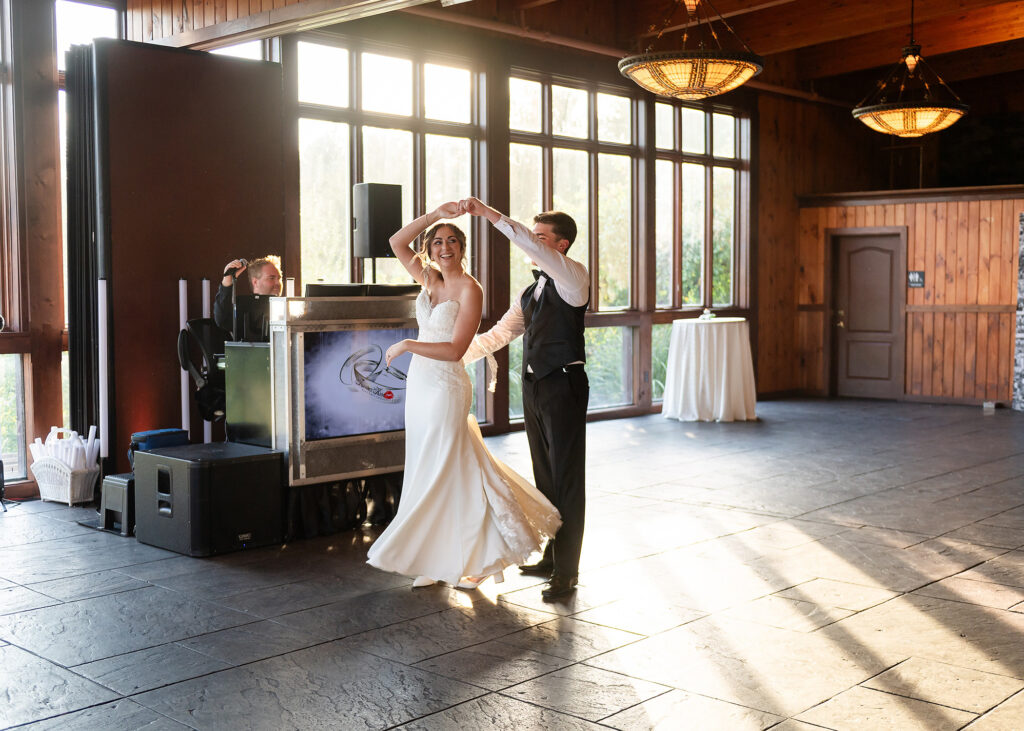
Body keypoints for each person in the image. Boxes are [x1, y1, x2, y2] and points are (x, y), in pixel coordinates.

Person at [366, 201, 561, 590]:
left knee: (445, 469)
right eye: (437, 241)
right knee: (427, 468)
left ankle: (484, 558)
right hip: (421, 386)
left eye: (452, 241)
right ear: (430, 249)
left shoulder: (471, 289)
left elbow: (456, 350)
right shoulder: (429, 279)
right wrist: (436, 214)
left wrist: (408, 344)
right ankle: (435, 558)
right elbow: (396, 242)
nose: (444, 247)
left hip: (445, 387)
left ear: (462, 248)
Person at [460, 197, 588, 601]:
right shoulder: (531, 292)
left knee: (567, 479)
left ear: (561, 245)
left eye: (541, 237)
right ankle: (551, 558)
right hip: (535, 386)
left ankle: (567, 572)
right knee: (545, 476)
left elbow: (527, 244)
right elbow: (499, 334)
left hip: (563, 384)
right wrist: (452, 358)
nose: (533, 242)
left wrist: (489, 214)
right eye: (534, 236)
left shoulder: (574, 277)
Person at [213, 256, 282, 341]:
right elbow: (222, 320)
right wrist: (227, 279)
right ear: (255, 282)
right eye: (271, 278)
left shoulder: (287, 307)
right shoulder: (243, 306)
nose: (278, 283)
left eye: (279, 278)